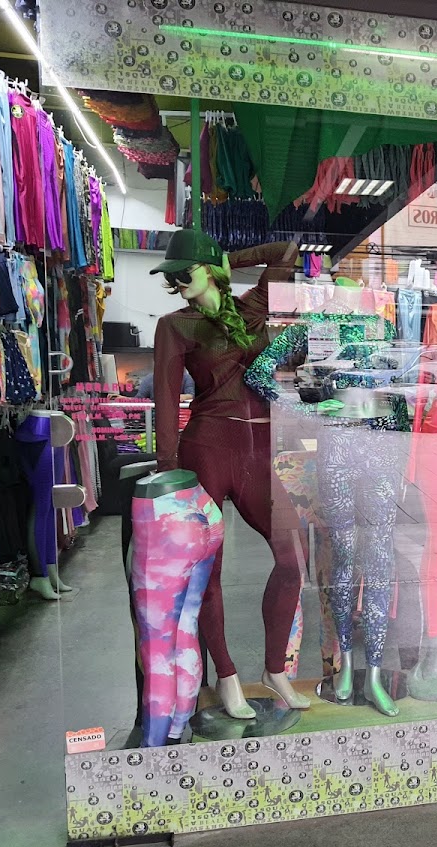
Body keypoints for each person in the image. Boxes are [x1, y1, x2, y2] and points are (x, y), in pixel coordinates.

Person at [150, 231, 309, 716]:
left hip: (259, 453)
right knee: (209, 571)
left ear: (209, 269)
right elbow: (165, 403)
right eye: (172, 277)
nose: (178, 283)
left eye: (185, 272)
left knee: (292, 559)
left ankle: (274, 670)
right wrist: (167, 475)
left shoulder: (252, 308)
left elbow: (286, 252)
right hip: (207, 450)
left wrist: (227, 257)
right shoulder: (174, 326)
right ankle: (226, 676)